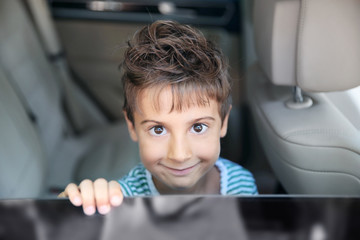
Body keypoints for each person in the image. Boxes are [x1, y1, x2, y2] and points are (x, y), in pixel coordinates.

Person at [59, 20, 258, 216]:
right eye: (158, 129)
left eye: (198, 127)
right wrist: (71, 206)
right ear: (132, 127)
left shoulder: (240, 185)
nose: (179, 155)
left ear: (223, 123)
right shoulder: (122, 201)